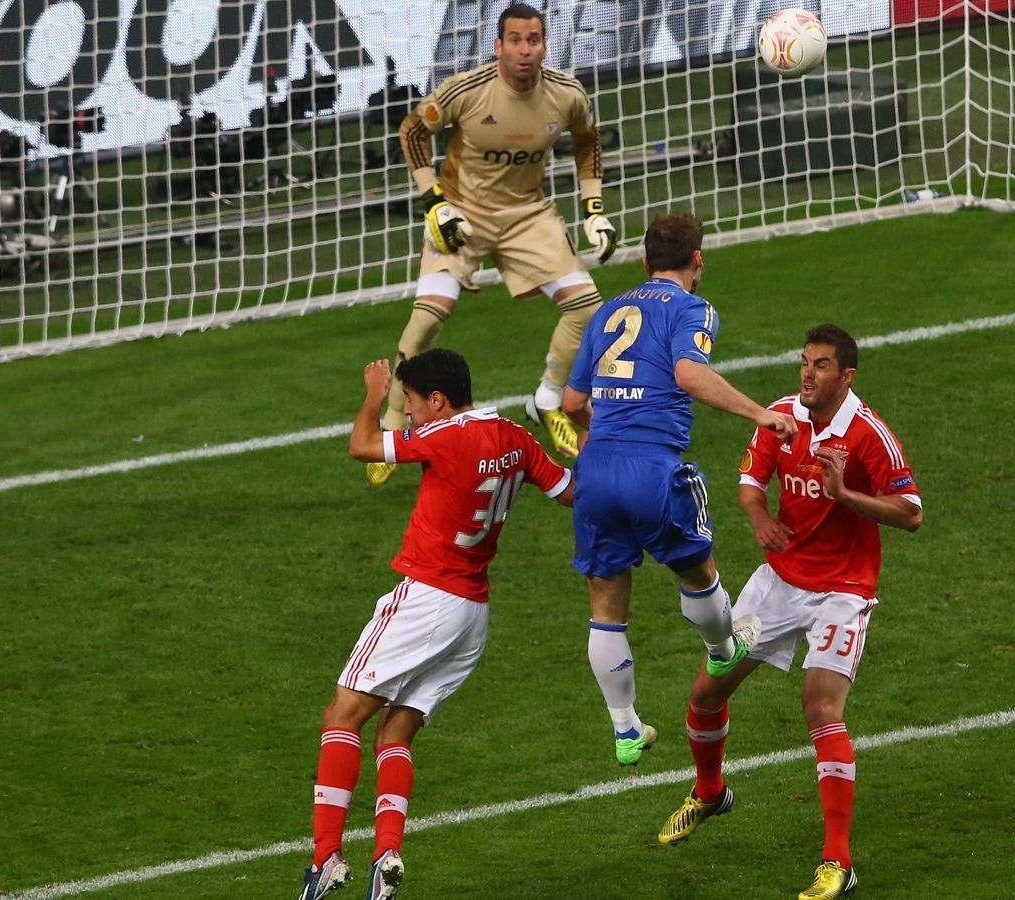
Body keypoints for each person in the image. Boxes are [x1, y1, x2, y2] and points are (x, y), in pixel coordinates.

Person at [653, 324, 922, 900]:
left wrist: (847, 496)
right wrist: (759, 520)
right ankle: (709, 790)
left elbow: (910, 512)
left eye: (821, 365)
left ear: (846, 376)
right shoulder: (780, 416)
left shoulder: (870, 435)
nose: (807, 373)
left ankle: (838, 861)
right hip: (777, 586)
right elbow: (751, 482)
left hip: (843, 593)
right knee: (707, 688)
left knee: (819, 705)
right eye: (805, 362)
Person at [300, 349, 573, 900]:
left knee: (342, 715)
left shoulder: (445, 434)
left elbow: (361, 446)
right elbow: (572, 492)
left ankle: (326, 856)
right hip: (471, 615)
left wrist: (374, 397)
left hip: (427, 597)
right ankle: (387, 856)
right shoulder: (514, 437)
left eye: (412, 404)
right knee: (395, 730)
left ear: (439, 400)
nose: (411, 416)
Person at [561, 212, 797, 766]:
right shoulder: (694, 307)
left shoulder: (606, 312)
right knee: (700, 572)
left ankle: (625, 730)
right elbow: (689, 374)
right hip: (651, 468)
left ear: (644, 262)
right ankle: (721, 649)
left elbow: (571, 404)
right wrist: (759, 413)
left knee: (605, 606)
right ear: (697, 261)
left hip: (594, 472)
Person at [368, 2, 615, 485]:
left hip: (528, 214)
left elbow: (588, 142)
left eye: (534, 40)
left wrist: (593, 208)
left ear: (545, 45)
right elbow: (413, 131)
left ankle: (546, 399)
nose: (526, 50)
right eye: (516, 41)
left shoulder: (566, 94)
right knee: (425, 324)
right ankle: (393, 428)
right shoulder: (468, 90)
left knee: (587, 308)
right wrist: (434, 201)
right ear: (498, 46)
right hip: (463, 213)